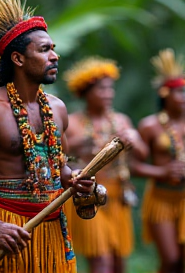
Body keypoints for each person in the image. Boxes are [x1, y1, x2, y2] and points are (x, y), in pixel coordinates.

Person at [0, 0, 96, 273]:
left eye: (53, 48)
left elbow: (59, 166)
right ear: (18, 59)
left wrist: (74, 179)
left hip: (52, 227)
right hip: (7, 230)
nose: (55, 56)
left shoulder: (57, 107)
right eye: (44, 50)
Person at [62, 56, 148, 273]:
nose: (108, 94)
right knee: (101, 263)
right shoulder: (73, 123)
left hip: (118, 197)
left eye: (110, 89)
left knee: (119, 263)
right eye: (101, 89)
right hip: (89, 196)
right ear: (85, 92)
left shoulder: (121, 121)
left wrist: (133, 138)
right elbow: (61, 158)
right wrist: (80, 143)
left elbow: (143, 155)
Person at [131, 48, 185, 273]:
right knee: (171, 260)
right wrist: (161, 172)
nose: (184, 98)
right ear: (165, 94)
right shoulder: (150, 126)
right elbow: (133, 166)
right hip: (161, 199)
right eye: (179, 92)